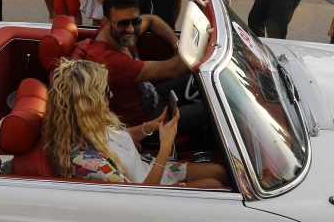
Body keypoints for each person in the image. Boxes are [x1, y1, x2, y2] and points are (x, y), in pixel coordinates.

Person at [43, 59, 228, 188]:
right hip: (150, 186)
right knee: (214, 185)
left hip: (148, 168)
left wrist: (150, 126)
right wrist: (165, 147)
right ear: (88, 103)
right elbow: (142, 195)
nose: (110, 95)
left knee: (219, 171)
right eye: (105, 91)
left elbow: (114, 139)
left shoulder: (88, 125)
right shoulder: (89, 164)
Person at [83, 0, 205, 134]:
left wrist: (176, 44)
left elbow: (152, 20)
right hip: (146, 123)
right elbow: (177, 68)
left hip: (149, 95)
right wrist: (204, 41)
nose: (130, 29)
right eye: (123, 24)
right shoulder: (110, 61)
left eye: (135, 21)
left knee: (193, 80)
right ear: (107, 22)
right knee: (209, 111)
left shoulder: (117, 32)